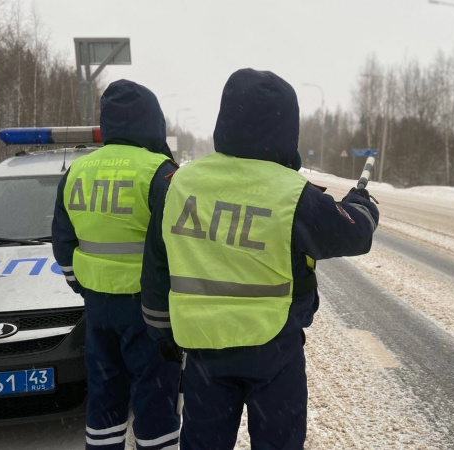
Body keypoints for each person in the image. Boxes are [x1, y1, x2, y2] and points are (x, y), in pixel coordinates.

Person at [140, 68, 379, 450]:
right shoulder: (292, 194)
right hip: (274, 352)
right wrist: (362, 204)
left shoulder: (179, 185)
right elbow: (354, 233)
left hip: (204, 351)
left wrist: (161, 333)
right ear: (287, 129)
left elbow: (156, 268)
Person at [52, 79, 181, 450]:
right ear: (153, 123)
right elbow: (176, 243)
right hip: (149, 310)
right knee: (154, 396)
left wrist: (83, 285)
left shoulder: (77, 171)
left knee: (105, 396)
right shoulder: (160, 172)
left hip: (98, 308)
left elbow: (62, 241)